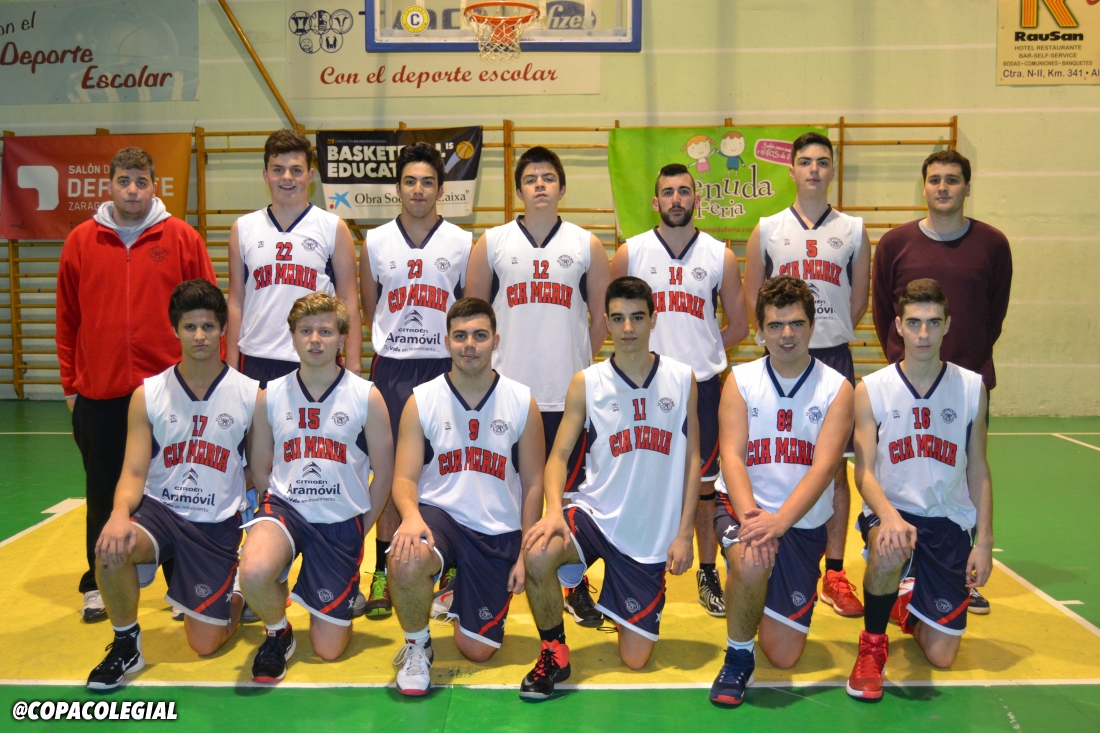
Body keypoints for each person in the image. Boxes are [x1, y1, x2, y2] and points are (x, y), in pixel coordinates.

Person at [56, 146, 218, 623]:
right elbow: (67, 317)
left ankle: (181, 581)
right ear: (109, 185)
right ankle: (98, 581)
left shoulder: (182, 238)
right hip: (100, 394)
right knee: (104, 491)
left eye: (141, 182)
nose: (132, 190)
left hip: (170, 391)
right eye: (124, 181)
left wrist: (207, 382)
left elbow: (208, 311)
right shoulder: (81, 241)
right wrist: (71, 385)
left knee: (178, 487)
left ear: (155, 186)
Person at [520, 276, 699, 700]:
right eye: (618, 319)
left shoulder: (682, 378)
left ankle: (618, 597)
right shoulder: (588, 382)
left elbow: (693, 458)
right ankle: (553, 650)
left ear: (654, 319)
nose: (628, 328)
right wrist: (552, 511)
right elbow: (558, 457)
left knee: (634, 659)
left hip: (648, 537)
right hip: (595, 516)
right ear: (606, 321)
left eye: (637, 317)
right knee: (539, 550)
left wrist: (685, 533)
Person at [86, 280, 258, 691]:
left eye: (208, 326)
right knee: (110, 549)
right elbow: (133, 472)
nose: (199, 336)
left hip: (216, 522)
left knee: (204, 644)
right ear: (175, 330)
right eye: (189, 327)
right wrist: (118, 515)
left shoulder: (251, 394)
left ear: (223, 329)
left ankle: (236, 591)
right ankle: (126, 644)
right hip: (160, 512)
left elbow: (259, 470)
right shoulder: (148, 394)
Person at [466, 146, 612, 628]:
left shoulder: (586, 244)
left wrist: (578, 364)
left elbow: (602, 318)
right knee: (504, 489)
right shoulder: (492, 243)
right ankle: (498, 573)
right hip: (507, 393)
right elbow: (473, 317)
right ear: (519, 190)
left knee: (565, 495)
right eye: (531, 179)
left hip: (566, 394)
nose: (540, 185)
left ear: (562, 187)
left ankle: (570, 582)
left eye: (549, 178)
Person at [871, 151, 1011, 616]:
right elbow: (883, 311)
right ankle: (901, 566)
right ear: (924, 187)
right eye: (935, 180)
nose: (943, 187)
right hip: (909, 385)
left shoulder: (993, 244)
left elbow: (994, 312)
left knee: (964, 475)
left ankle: (962, 571)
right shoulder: (896, 243)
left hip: (964, 385)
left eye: (953, 179)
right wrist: (908, 367)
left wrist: (964, 371)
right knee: (903, 475)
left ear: (968, 186)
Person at [386, 298, 545, 696]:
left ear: (495, 341)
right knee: (405, 557)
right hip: (439, 517)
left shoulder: (521, 401)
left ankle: (454, 588)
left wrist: (525, 553)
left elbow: (533, 483)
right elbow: (403, 477)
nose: (469, 345)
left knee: (477, 650)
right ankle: (417, 645)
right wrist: (410, 517)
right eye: (460, 336)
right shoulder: (422, 399)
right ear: (447, 342)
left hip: (496, 528)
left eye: (479, 336)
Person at [612, 163, 749, 617]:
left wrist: (702, 349)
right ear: (656, 201)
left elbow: (739, 325)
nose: (676, 199)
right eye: (668, 192)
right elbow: (615, 320)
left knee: (705, 485)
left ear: (696, 199)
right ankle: (633, 568)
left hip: (701, 387)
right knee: (639, 480)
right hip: (641, 386)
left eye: (684, 191)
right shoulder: (630, 253)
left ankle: (707, 572)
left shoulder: (719, 256)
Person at [709, 276, 853, 707]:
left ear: (812, 326)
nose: (786, 334)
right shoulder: (740, 380)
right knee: (752, 561)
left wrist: (780, 523)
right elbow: (731, 457)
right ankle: (737, 655)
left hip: (801, 522)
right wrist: (755, 520)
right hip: (745, 508)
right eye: (775, 325)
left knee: (784, 655)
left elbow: (825, 468)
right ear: (760, 331)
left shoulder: (837, 389)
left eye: (796, 323)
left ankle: (757, 593)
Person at [742, 132, 870, 619]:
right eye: (805, 161)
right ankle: (770, 543)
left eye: (822, 162)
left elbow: (858, 300)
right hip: (779, 359)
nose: (814, 169)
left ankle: (833, 572)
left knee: (834, 467)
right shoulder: (767, 229)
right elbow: (754, 298)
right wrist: (783, 338)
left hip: (830, 356)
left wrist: (823, 334)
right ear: (791, 170)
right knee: (775, 455)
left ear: (832, 170)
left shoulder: (854, 230)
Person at [846, 279, 993, 700]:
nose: (923, 333)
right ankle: (872, 646)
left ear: (948, 325)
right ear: (898, 326)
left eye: (933, 322)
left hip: (948, 521)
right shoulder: (872, 389)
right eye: (914, 323)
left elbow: (979, 468)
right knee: (889, 547)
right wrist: (889, 516)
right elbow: (864, 473)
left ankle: (907, 600)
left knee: (941, 656)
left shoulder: (971, 388)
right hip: (893, 512)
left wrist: (984, 542)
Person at [238, 293, 394, 683]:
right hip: (286, 511)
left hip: (340, 520)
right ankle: (278, 632)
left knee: (328, 650)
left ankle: (336, 590)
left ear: (342, 338)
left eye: (325, 331)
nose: (315, 340)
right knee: (253, 571)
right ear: (292, 336)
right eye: (305, 330)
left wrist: (362, 527)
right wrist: (271, 514)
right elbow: (261, 467)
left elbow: (385, 473)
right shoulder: (271, 395)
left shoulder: (366, 395)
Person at [359, 142, 472, 620]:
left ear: (441, 189)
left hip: (444, 368)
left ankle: (448, 567)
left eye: (428, 182)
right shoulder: (375, 241)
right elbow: (371, 308)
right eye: (410, 181)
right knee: (387, 471)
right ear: (398, 188)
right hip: (394, 366)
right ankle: (384, 571)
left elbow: (468, 312)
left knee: (447, 467)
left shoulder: (462, 242)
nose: (419, 190)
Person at [227, 129, 361, 385]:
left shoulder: (333, 228)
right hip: (256, 359)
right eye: (278, 169)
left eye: (296, 170)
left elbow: (349, 302)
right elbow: (235, 303)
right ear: (265, 175)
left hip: (316, 358)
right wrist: (231, 369)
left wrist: (353, 368)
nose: (287, 177)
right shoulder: (243, 229)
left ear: (310, 176)